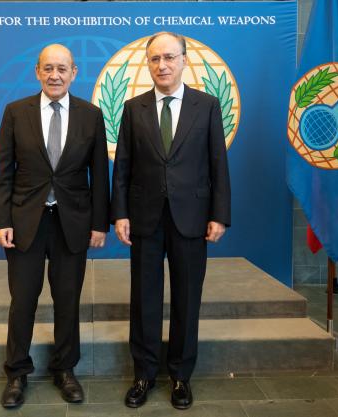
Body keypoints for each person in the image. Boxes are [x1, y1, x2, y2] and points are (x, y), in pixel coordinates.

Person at [111, 32, 231, 410]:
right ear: (147, 64)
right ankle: (144, 373)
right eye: (154, 59)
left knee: (186, 299)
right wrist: (120, 214)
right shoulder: (133, 108)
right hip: (144, 219)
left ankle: (180, 376)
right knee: (144, 300)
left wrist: (219, 215)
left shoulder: (207, 105)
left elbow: (218, 164)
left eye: (169, 58)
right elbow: (123, 167)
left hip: (192, 218)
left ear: (183, 60)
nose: (161, 65)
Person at [0, 43, 109, 408]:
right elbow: (1, 171)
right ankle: (17, 373)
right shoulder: (15, 112)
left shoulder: (91, 115)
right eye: (48, 69)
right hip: (25, 221)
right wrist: (0, 220)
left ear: (74, 73)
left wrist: (99, 224)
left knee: (68, 301)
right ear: (37, 72)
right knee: (23, 300)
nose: (55, 75)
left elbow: (100, 175)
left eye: (62, 69)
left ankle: (65, 369)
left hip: (73, 222)